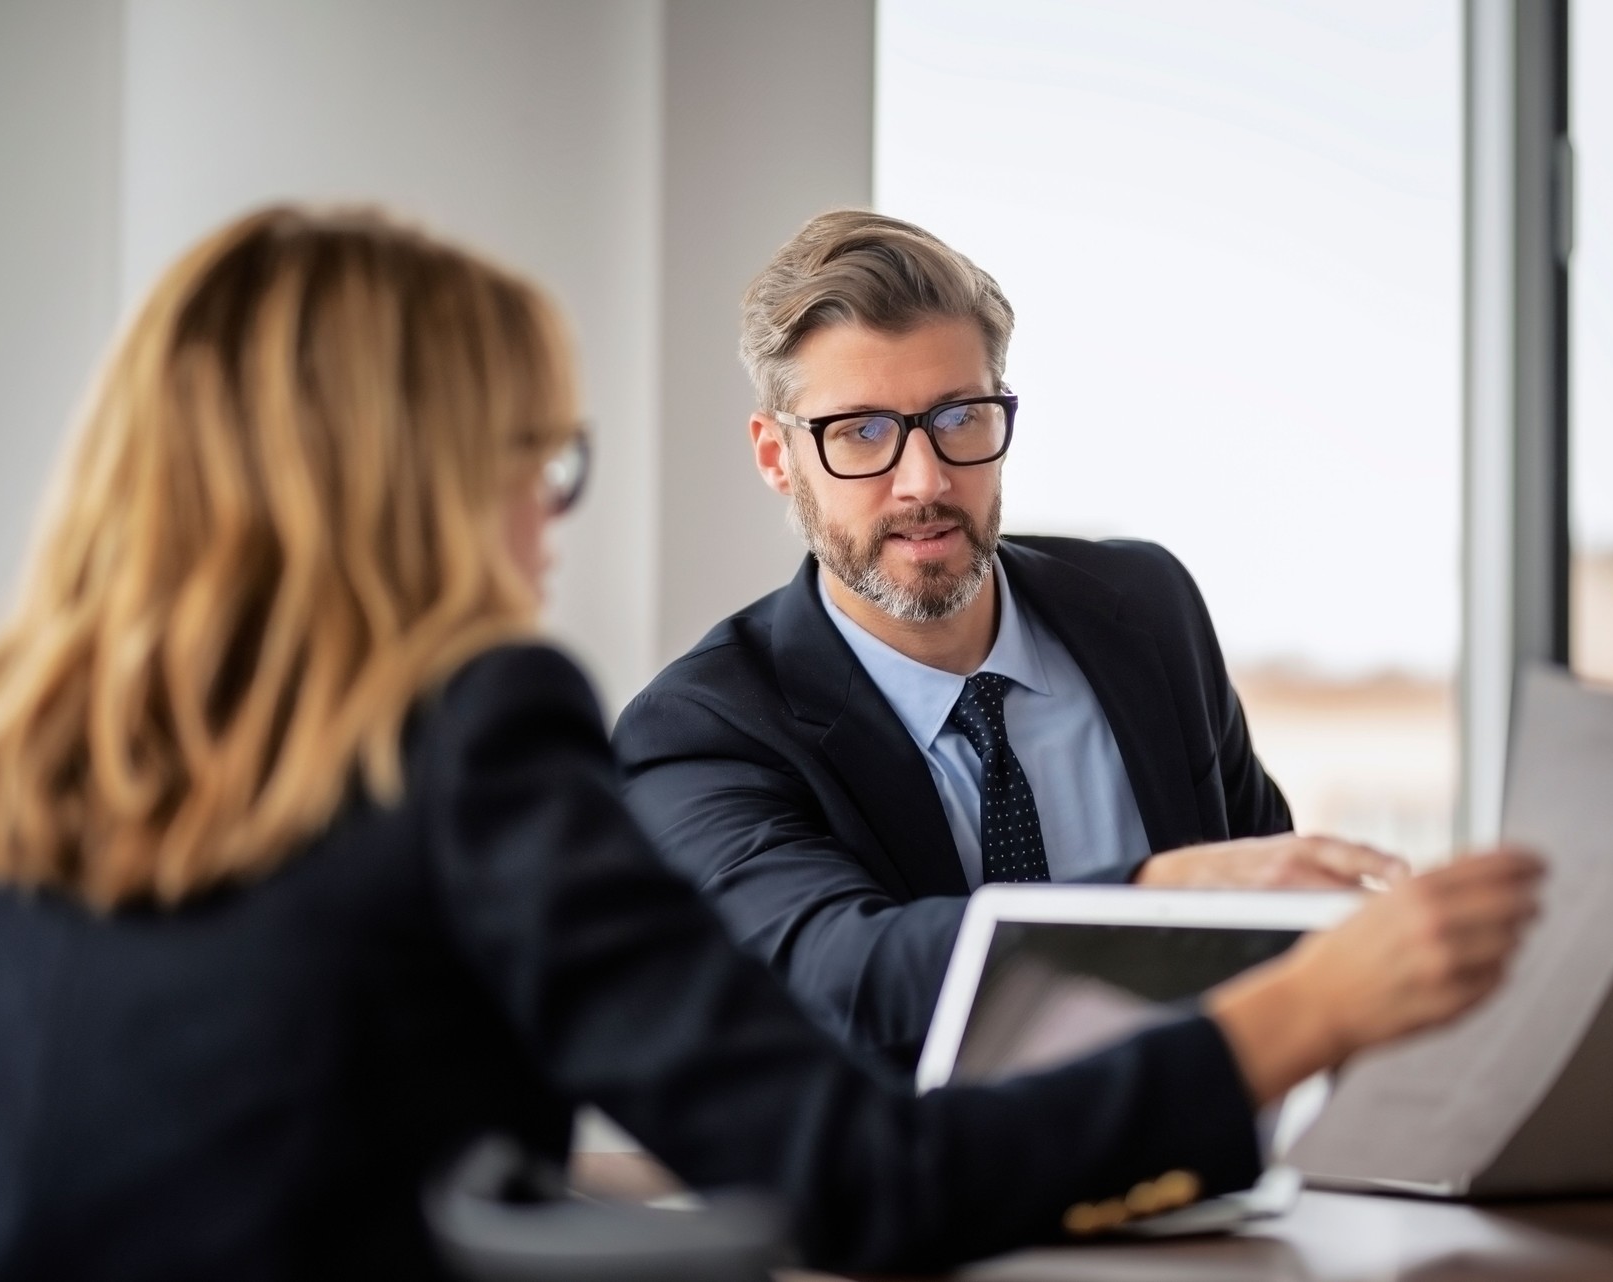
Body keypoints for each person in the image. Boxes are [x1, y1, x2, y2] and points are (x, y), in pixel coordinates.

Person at [0, 206, 1541, 1280]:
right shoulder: (499, 735)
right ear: (409, 481)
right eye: (535, 463)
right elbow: (855, 1174)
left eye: (959, 421)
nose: (545, 527)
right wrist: (1298, 1011)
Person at [612, 210, 1454, 1067]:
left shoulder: (1148, 610)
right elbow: (842, 973)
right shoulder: (701, 729)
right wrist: (1152, 897)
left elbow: (1271, 910)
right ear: (775, 456)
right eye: (861, 431)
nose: (925, 481)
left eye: (958, 418)